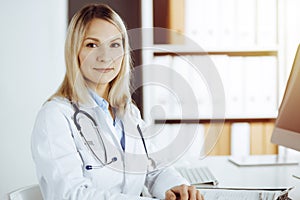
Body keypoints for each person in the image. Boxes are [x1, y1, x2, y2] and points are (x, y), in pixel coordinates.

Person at [31, 3, 203, 200]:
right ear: (74, 52)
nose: (105, 57)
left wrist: (175, 187)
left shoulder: (127, 112)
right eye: (91, 45)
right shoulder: (55, 117)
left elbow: (153, 169)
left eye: (114, 44)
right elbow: (71, 195)